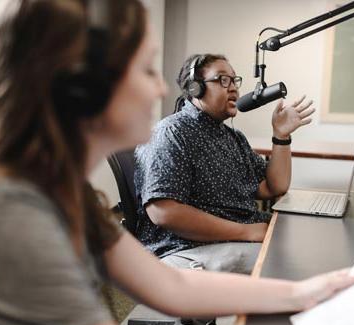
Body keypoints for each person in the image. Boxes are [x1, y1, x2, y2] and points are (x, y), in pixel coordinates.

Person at [0, 1, 354, 325]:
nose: (161, 89)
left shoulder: (64, 194)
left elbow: (172, 288)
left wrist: (304, 292)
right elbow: (164, 219)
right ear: (83, 86)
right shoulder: (9, 214)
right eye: (146, 70)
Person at [134, 53, 315, 273]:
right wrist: (246, 232)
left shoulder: (233, 137)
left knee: (305, 250)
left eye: (234, 80)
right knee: (296, 263)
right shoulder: (171, 133)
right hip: (189, 248)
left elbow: (271, 187)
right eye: (222, 80)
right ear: (195, 89)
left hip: (232, 241)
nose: (234, 89)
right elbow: (163, 212)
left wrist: (281, 135)